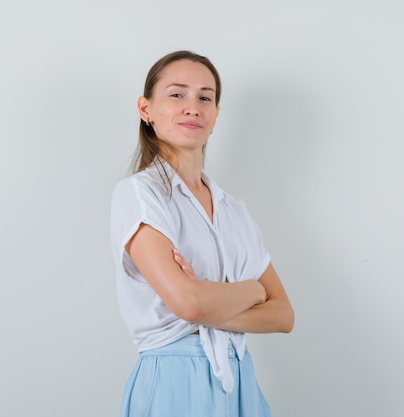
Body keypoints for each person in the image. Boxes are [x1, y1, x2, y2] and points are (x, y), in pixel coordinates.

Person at [110, 50, 294, 417]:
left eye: (205, 97)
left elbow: (283, 316)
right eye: (177, 94)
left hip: (239, 375)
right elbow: (190, 304)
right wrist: (254, 291)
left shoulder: (233, 209)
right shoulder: (140, 194)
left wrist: (210, 302)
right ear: (146, 109)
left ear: (216, 116)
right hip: (176, 378)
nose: (192, 107)